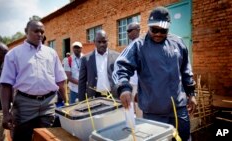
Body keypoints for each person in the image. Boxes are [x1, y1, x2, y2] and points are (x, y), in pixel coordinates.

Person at [112, 6, 197, 141]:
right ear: (148, 26)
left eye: (162, 30)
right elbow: (120, 66)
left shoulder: (178, 43)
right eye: (154, 30)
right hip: (153, 113)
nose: (158, 33)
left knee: (184, 138)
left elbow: (186, 70)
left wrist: (191, 94)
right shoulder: (139, 46)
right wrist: (123, 88)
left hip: (179, 109)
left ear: (168, 28)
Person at [0, 20, 67, 141]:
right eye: (36, 31)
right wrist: (5, 113)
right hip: (24, 104)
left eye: (42, 31)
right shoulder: (13, 54)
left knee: (46, 136)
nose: (39, 34)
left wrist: (66, 103)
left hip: (49, 103)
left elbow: (61, 81)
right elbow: (5, 85)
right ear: (26, 32)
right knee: (22, 136)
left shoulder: (51, 53)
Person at [78, 30, 120, 101]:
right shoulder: (86, 59)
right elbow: (82, 82)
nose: (102, 44)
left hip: (113, 96)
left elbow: (121, 77)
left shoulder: (117, 56)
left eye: (104, 42)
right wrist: (81, 101)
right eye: (99, 42)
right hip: (94, 97)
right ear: (94, 42)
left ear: (108, 41)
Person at [126, 22, 142, 117]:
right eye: (127, 31)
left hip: (140, 83)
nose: (128, 33)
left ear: (137, 30)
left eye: (130, 31)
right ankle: (131, 126)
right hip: (131, 82)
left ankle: (141, 125)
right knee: (129, 105)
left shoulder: (143, 45)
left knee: (140, 106)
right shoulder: (129, 46)